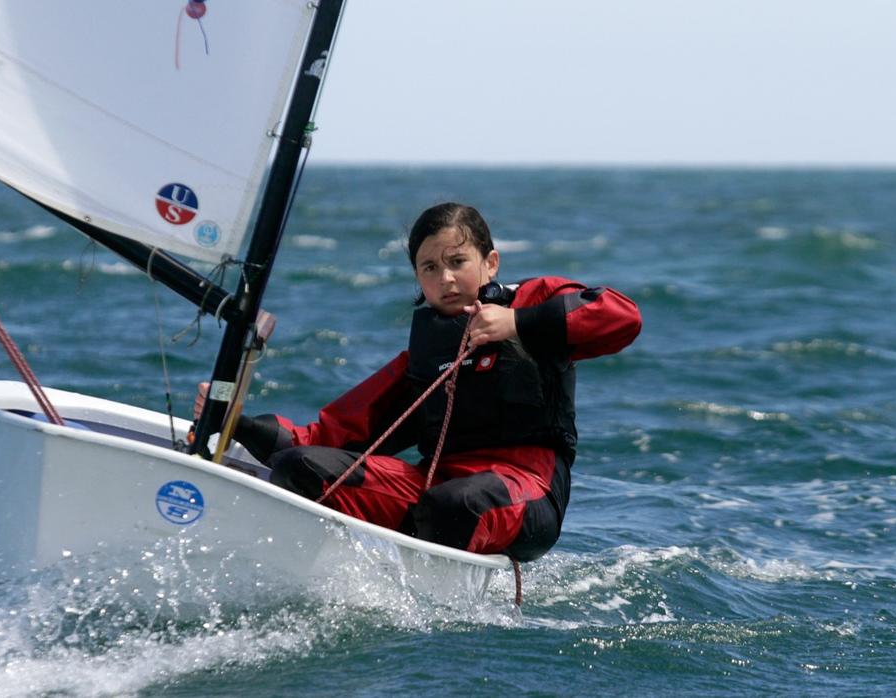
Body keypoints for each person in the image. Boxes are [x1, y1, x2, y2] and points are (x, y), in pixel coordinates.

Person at [194, 202, 641, 561]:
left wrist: (518, 322)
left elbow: (622, 317)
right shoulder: (425, 353)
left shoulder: (532, 300)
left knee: (454, 505)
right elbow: (331, 433)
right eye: (429, 267)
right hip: (435, 488)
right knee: (299, 467)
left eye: (457, 262)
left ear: (490, 263)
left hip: (527, 490)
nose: (445, 278)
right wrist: (237, 423)